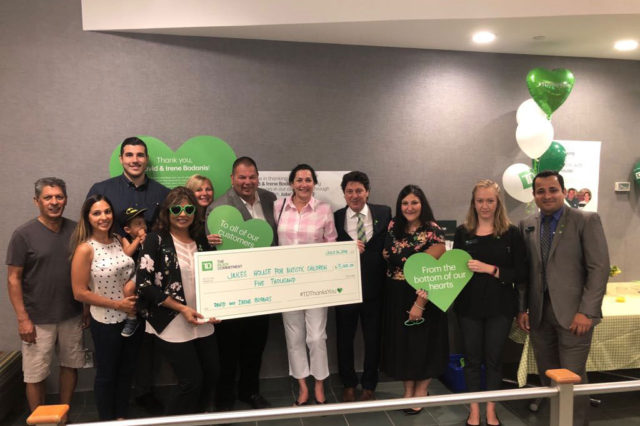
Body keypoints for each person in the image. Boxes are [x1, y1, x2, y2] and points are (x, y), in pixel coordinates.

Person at [518, 170, 609, 426]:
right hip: (539, 316)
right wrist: (522, 308)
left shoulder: (585, 220)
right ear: (534, 195)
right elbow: (525, 271)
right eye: (540, 191)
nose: (547, 196)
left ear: (563, 191)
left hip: (574, 316)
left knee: (573, 378)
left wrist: (587, 311)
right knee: (549, 380)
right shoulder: (527, 224)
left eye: (552, 190)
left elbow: (598, 268)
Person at [87, 136, 169, 411]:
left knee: (146, 342)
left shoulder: (162, 193)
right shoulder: (102, 189)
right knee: (111, 349)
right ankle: (111, 407)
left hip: (152, 277)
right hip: (110, 283)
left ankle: (142, 393)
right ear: (121, 159)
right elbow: (92, 234)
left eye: (140, 155)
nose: (135, 160)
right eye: (129, 155)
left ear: (147, 160)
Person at [136, 186, 220, 415]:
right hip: (171, 320)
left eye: (188, 208)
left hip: (202, 319)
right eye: (176, 208)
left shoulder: (201, 241)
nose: (183, 213)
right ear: (167, 211)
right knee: (190, 381)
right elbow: (143, 285)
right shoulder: (155, 240)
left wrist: (218, 306)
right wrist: (181, 308)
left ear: (195, 212)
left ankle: (199, 420)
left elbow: (216, 280)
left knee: (212, 373)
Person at [6, 177, 84, 422]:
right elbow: (13, 279)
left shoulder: (76, 231)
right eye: (48, 197)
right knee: (35, 375)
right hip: (37, 319)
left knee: (70, 365)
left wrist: (85, 308)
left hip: (71, 314)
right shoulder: (23, 234)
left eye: (59, 197)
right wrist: (22, 319)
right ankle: (40, 421)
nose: (54, 202)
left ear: (66, 200)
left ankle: (63, 414)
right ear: (37, 201)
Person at [206, 157, 278, 410]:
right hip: (232, 290)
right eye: (242, 177)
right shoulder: (219, 208)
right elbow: (212, 253)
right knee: (228, 350)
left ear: (258, 178)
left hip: (262, 288)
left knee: (255, 346)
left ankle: (250, 392)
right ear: (232, 179)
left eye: (251, 177)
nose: (247, 182)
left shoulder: (270, 199)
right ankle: (224, 400)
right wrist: (210, 241)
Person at [453, 180, 527, 426]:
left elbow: (520, 272)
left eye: (490, 201)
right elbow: (454, 270)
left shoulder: (511, 233)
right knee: (472, 360)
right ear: (473, 203)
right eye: (480, 201)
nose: (485, 206)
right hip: (468, 307)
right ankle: (474, 410)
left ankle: (492, 410)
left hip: (500, 308)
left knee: (494, 360)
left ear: (498, 203)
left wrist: (490, 270)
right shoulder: (463, 232)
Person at [70, 194, 143, 420]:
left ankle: (121, 416)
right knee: (107, 374)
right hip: (105, 322)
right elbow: (79, 292)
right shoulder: (85, 249)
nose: (104, 217)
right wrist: (117, 304)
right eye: (97, 213)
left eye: (107, 211)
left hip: (131, 317)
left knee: (126, 372)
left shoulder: (118, 239)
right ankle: (107, 420)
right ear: (88, 217)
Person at [382, 184, 448, 415]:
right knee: (403, 345)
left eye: (414, 202)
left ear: (423, 204)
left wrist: (420, 303)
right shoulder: (393, 226)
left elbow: (430, 272)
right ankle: (408, 390)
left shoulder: (433, 231)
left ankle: (421, 391)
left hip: (422, 295)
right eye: (405, 203)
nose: (409, 207)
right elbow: (386, 254)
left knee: (423, 344)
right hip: (395, 294)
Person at [275, 164, 338, 406]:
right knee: (295, 336)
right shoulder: (278, 207)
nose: (303, 184)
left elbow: (331, 243)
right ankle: (302, 386)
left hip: (315, 281)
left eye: (308, 179)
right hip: (286, 282)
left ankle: (320, 382)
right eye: (299, 179)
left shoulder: (324, 209)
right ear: (291, 183)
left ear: (314, 183)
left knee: (316, 337)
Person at [333, 171, 391, 402]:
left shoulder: (384, 213)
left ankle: (369, 384)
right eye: (349, 191)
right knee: (344, 339)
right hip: (345, 289)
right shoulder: (336, 217)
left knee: (373, 339)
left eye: (359, 191)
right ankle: (348, 383)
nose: (354, 195)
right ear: (344, 194)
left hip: (375, 289)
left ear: (367, 192)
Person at [119, 207, 148, 338]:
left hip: (145, 269)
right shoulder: (125, 239)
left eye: (143, 222)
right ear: (127, 230)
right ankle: (132, 318)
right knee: (127, 288)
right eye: (138, 224)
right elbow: (127, 253)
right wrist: (137, 239)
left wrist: (145, 240)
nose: (142, 226)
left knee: (129, 288)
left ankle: (136, 316)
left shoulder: (149, 235)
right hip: (131, 270)